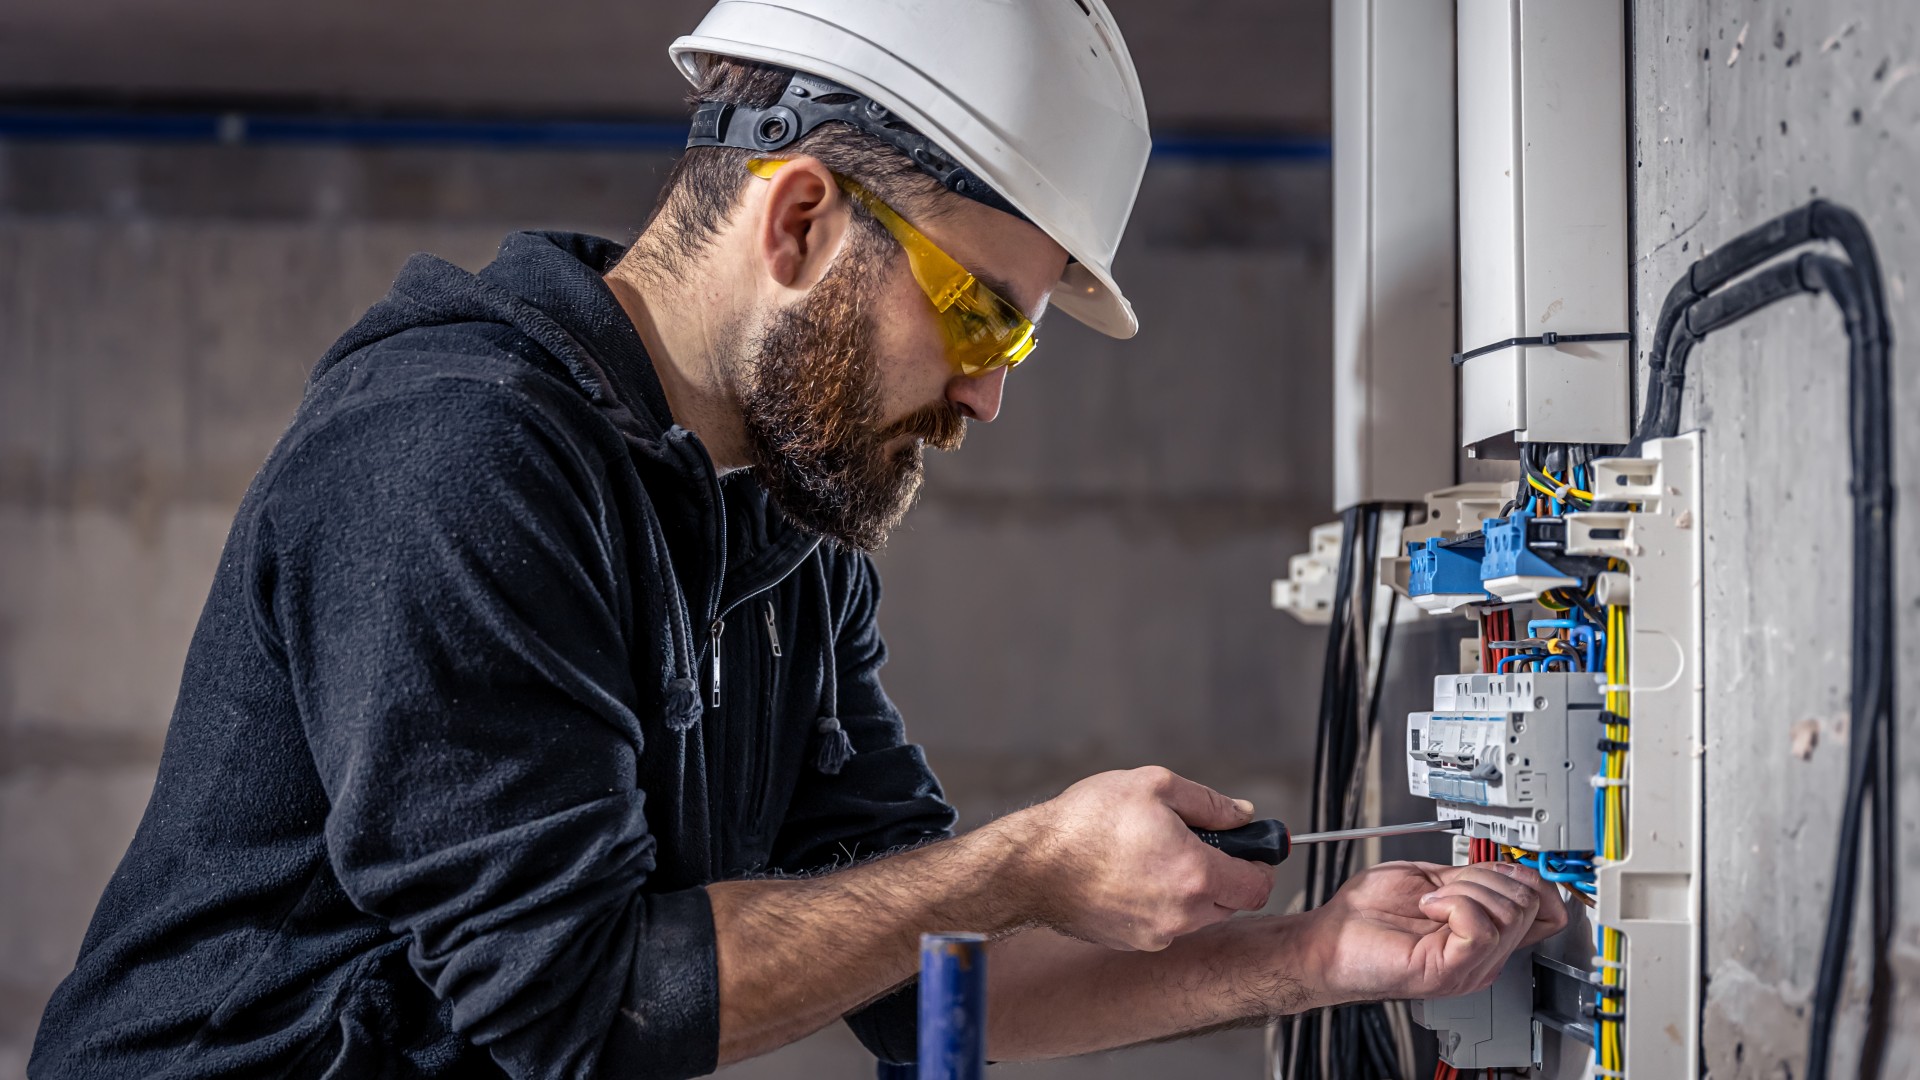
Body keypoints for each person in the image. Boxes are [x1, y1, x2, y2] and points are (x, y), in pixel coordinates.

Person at [31, 2, 1566, 1077]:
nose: (983, 393)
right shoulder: (456, 456)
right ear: (800, 220)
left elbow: (920, 978)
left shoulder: (786, 528)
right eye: (979, 313)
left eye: (1016, 351)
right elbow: (573, 1007)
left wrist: (1315, 957)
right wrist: (1023, 861)